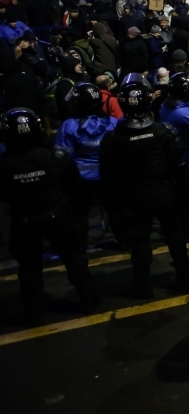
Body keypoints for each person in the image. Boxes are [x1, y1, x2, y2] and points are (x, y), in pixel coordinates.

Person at [0, 108, 98, 324]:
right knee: (73, 259)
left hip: (24, 219)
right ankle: (88, 300)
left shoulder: (4, 164)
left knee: (29, 268)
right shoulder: (56, 157)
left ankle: (34, 312)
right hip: (57, 215)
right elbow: (74, 186)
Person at [99, 74, 189, 298]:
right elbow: (179, 167)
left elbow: (109, 176)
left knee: (139, 241)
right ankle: (184, 276)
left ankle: (143, 285)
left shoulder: (113, 138)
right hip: (163, 191)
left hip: (133, 195)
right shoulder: (164, 132)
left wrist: (114, 206)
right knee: (174, 236)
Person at [54, 82, 118, 249]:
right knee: (115, 210)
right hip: (108, 176)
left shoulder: (69, 126)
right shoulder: (112, 122)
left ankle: (80, 248)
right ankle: (124, 241)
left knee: (79, 216)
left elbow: (62, 157)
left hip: (80, 180)